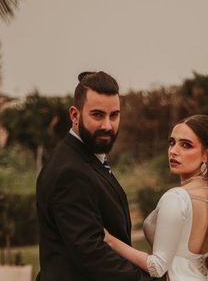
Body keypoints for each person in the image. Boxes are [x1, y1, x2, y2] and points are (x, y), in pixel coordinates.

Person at [36, 71, 153, 281]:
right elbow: (92, 254)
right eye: (97, 115)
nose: (107, 125)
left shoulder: (87, 159)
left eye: (114, 115)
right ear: (75, 115)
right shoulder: (70, 172)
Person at [103, 114, 208, 281]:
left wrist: (110, 240)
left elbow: (157, 266)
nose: (173, 151)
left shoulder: (177, 198)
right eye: (172, 142)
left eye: (186, 145)